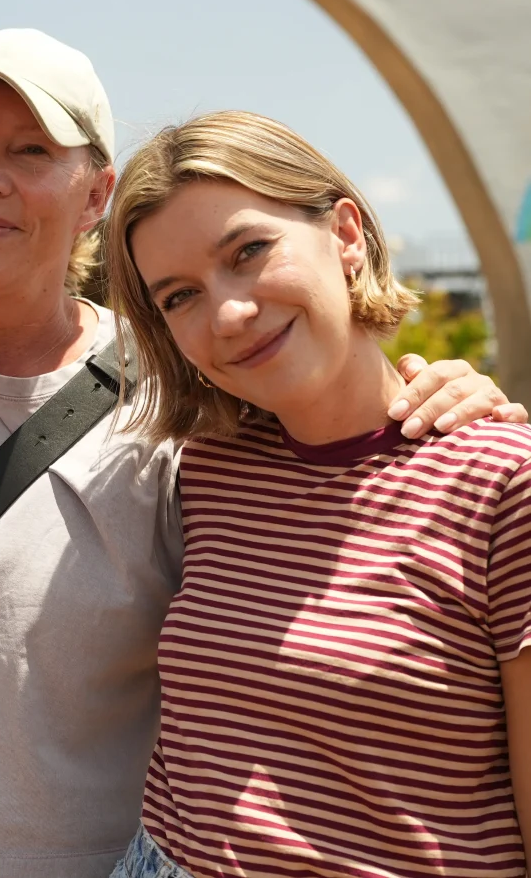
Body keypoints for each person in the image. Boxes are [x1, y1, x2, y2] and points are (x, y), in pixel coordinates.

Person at [0, 29, 522, 878]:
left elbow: (358, 448)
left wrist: (455, 406)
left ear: (96, 194)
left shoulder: (188, 408)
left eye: (31, 150)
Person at [105, 110, 531, 878]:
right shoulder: (205, 472)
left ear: (345, 234)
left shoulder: (504, 482)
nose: (228, 313)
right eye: (179, 297)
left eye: (250, 251)